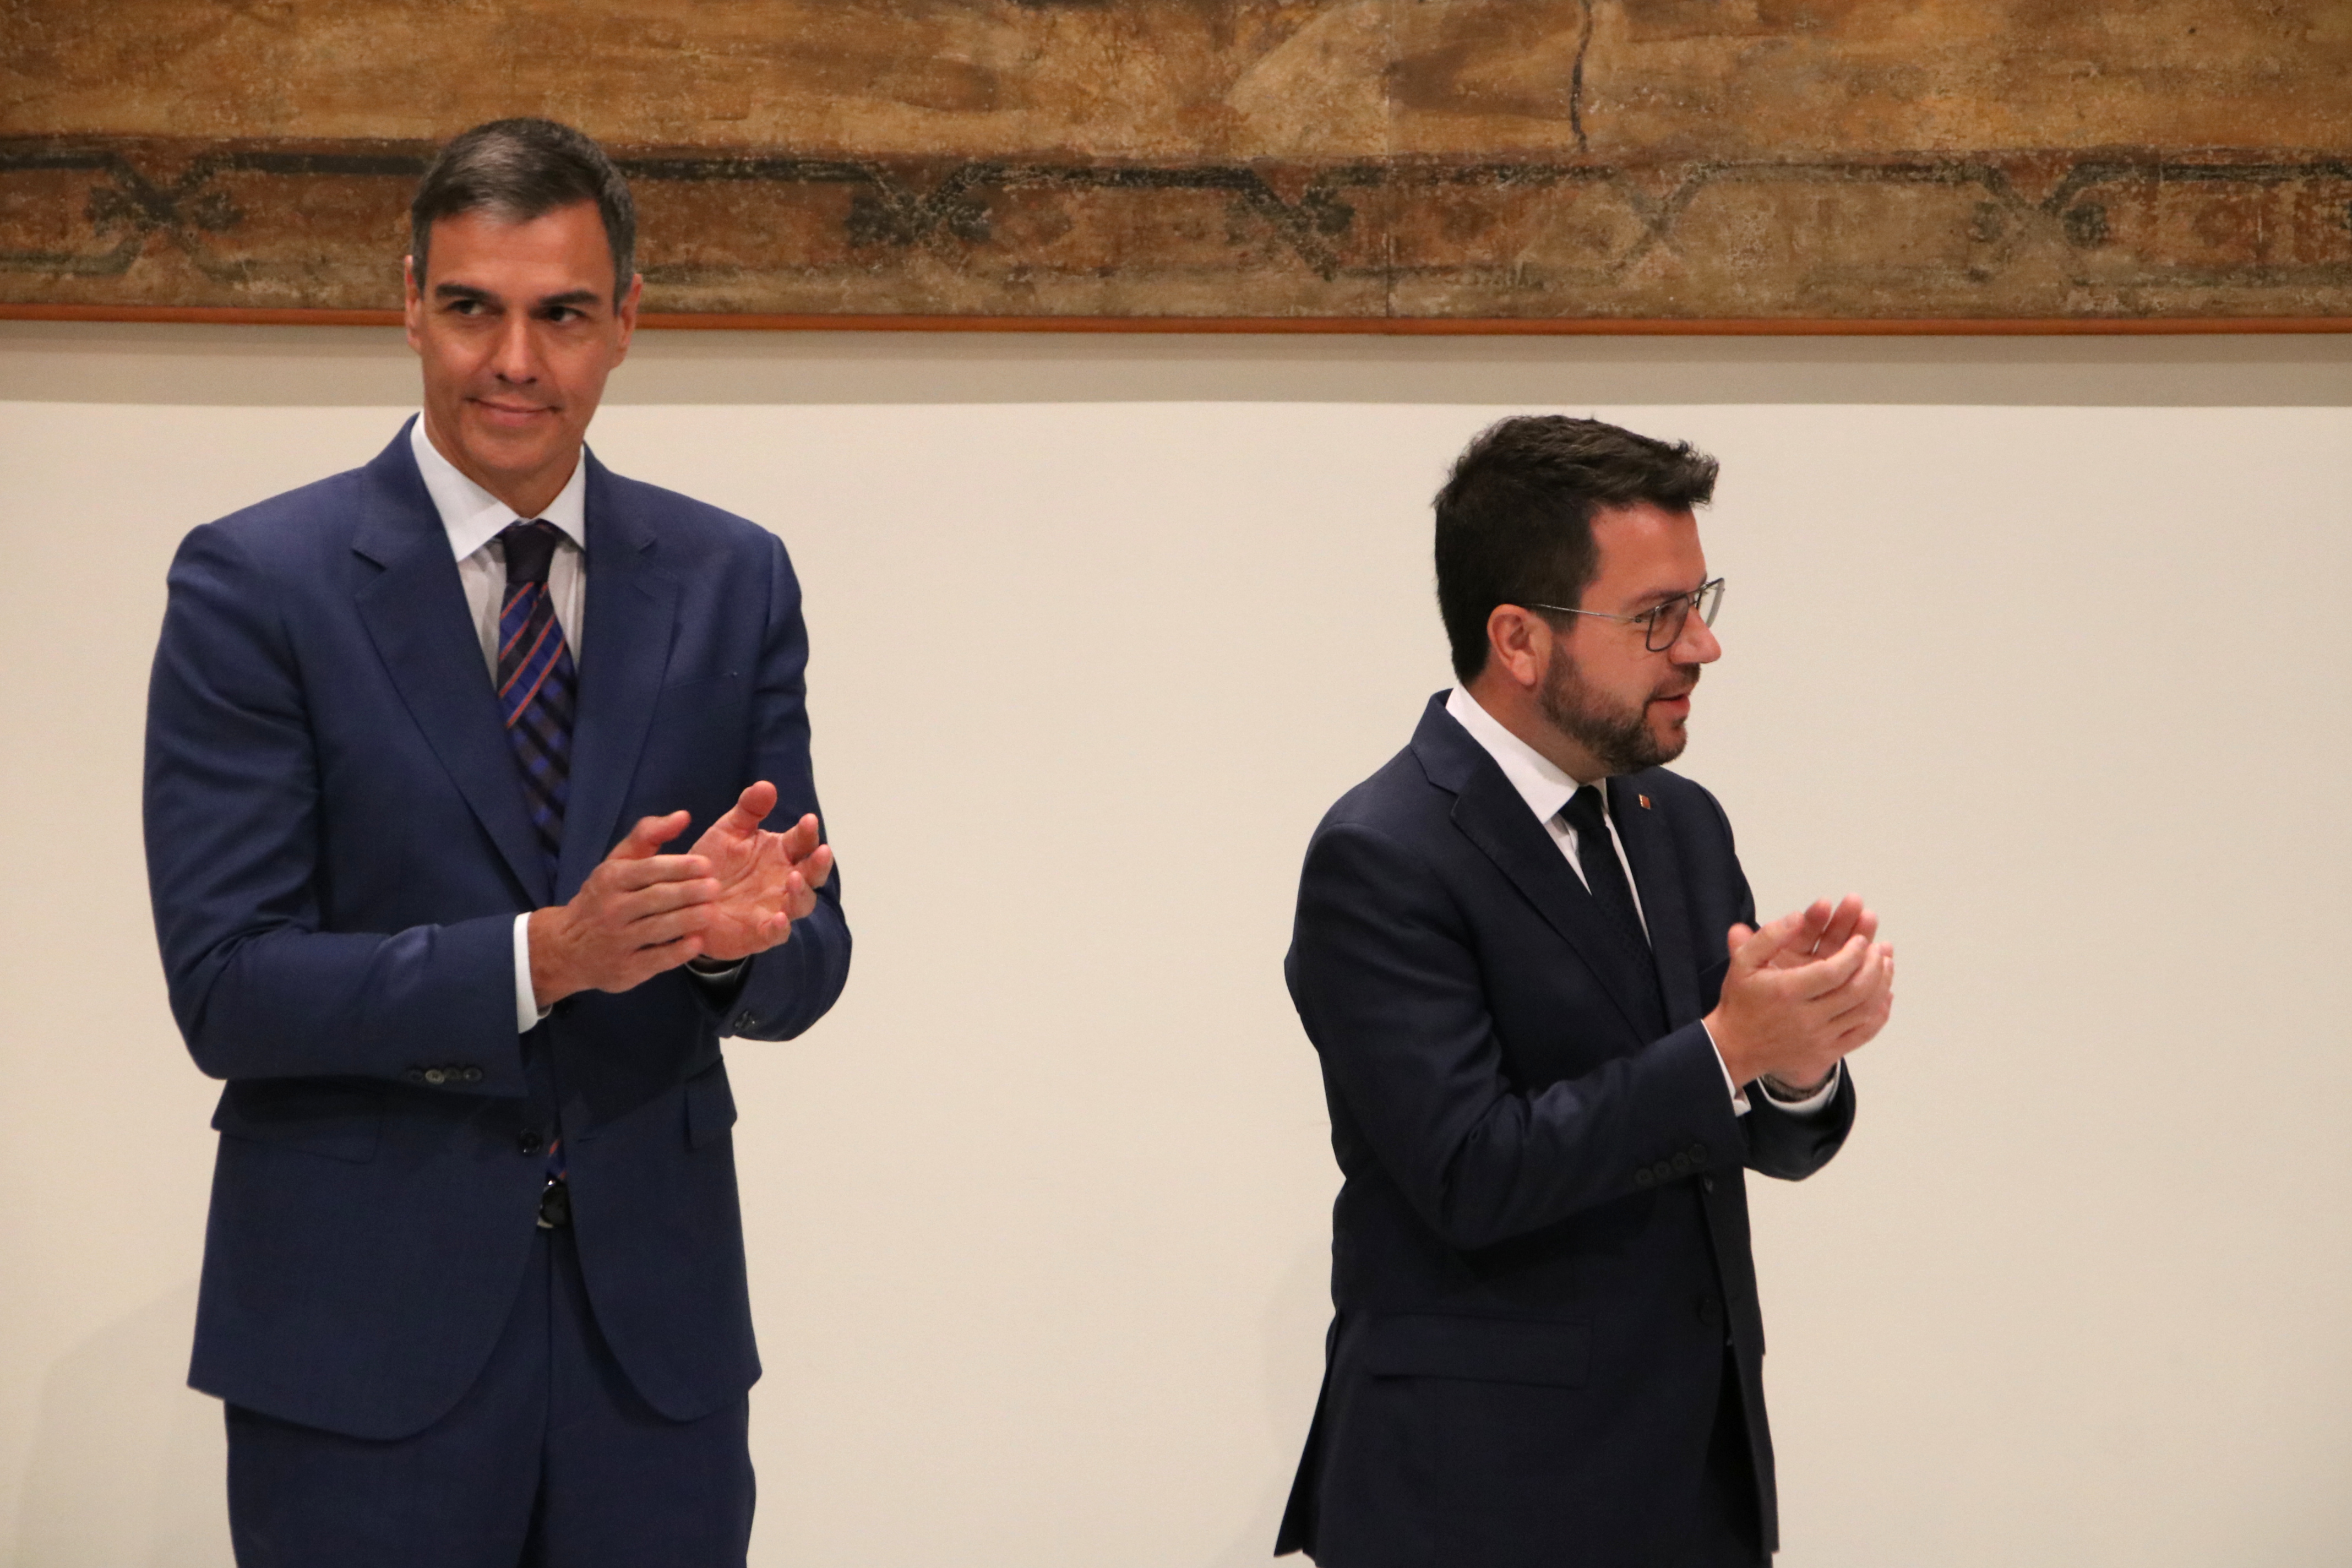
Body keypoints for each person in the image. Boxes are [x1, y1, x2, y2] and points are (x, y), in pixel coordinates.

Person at [141, 118, 849, 1566]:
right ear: (407, 299)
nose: (513, 360)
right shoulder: (256, 582)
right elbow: (228, 986)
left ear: (627, 324)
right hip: (357, 1349)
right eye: (471, 308)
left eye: (561, 315)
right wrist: (545, 959)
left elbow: (809, 948)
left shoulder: (731, 579)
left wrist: (733, 950)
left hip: (653, 1352)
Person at [1272, 416, 1893, 1567]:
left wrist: (1799, 1061)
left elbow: (1740, 1133)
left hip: (1694, 1485)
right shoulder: (1383, 852)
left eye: (1701, 600)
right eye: (1658, 615)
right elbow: (1470, 1169)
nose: (1702, 645)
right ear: (1518, 637)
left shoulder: (1681, 822)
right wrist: (1724, 1047)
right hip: (1479, 1498)